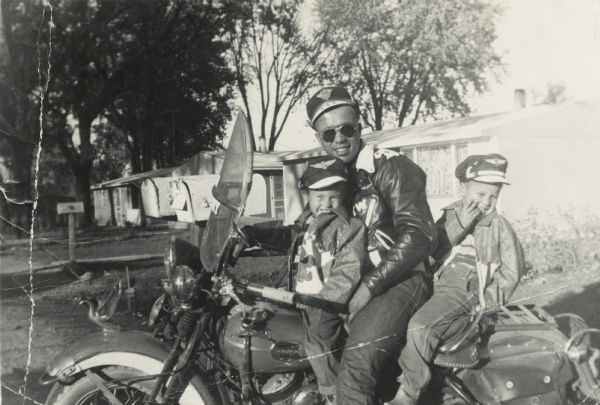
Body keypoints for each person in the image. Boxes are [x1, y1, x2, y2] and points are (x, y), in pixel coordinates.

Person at [244, 85, 437, 404]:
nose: (339, 139)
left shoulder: (389, 167)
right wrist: (251, 235)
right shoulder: (334, 178)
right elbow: (305, 233)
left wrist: (368, 288)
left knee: (354, 370)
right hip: (351, 285)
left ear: (360, 127)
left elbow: (419, 233)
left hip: (400, 282)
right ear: (319, 138)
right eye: (328, 134)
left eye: (347, 129)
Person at [387, 154, 526, 405]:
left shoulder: (499, 226)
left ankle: (409, 392)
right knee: (390, 318)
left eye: (492, 197)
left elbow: (511, 272)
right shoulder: (450, 215)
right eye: (479, 194)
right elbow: (431, 249)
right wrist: (461, 223)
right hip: (431, 282)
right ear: (463, 188)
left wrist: (486, 302)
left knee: (421, 327)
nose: (485, 202)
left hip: (464, 288)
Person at [294, 159, 367, 401]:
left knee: (319, 338)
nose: (326, 204)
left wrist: (325, 302)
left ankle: (333, 392)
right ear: (308, 196)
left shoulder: (348, 226)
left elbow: (348, 269)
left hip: (328, 303)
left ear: (344, 196)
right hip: (304, 299)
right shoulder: (306, 222)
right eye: (319, 197)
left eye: (333, 197)